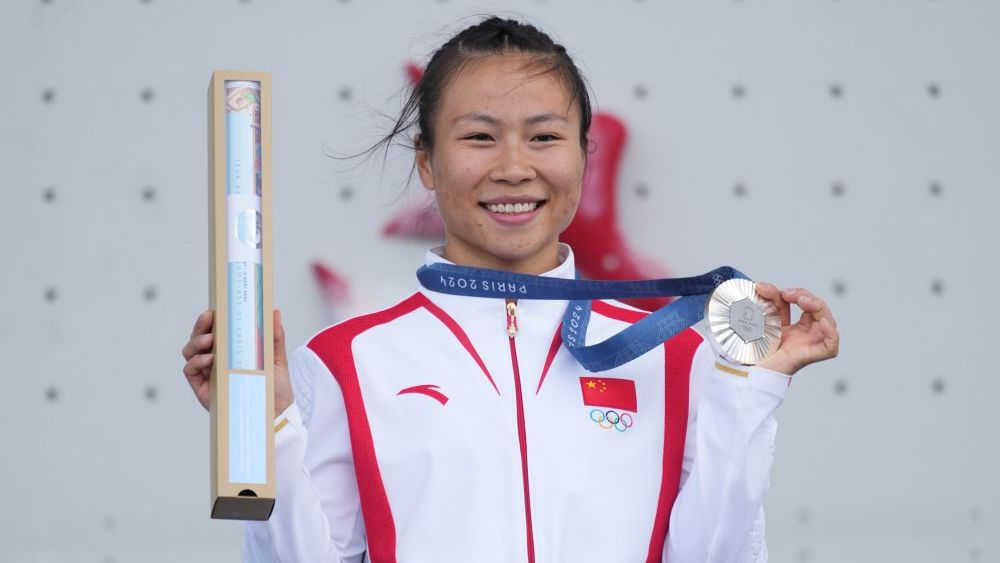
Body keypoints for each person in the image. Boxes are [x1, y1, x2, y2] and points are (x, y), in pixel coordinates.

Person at [182, 16, 839, 563]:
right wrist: (267, 424)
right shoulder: (345, 363)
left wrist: (750, 388)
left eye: (545, 137)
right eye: (480, 137)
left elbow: (717, 554)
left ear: (583, 156)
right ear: (426, 161)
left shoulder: (672, 355)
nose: (515, 167)